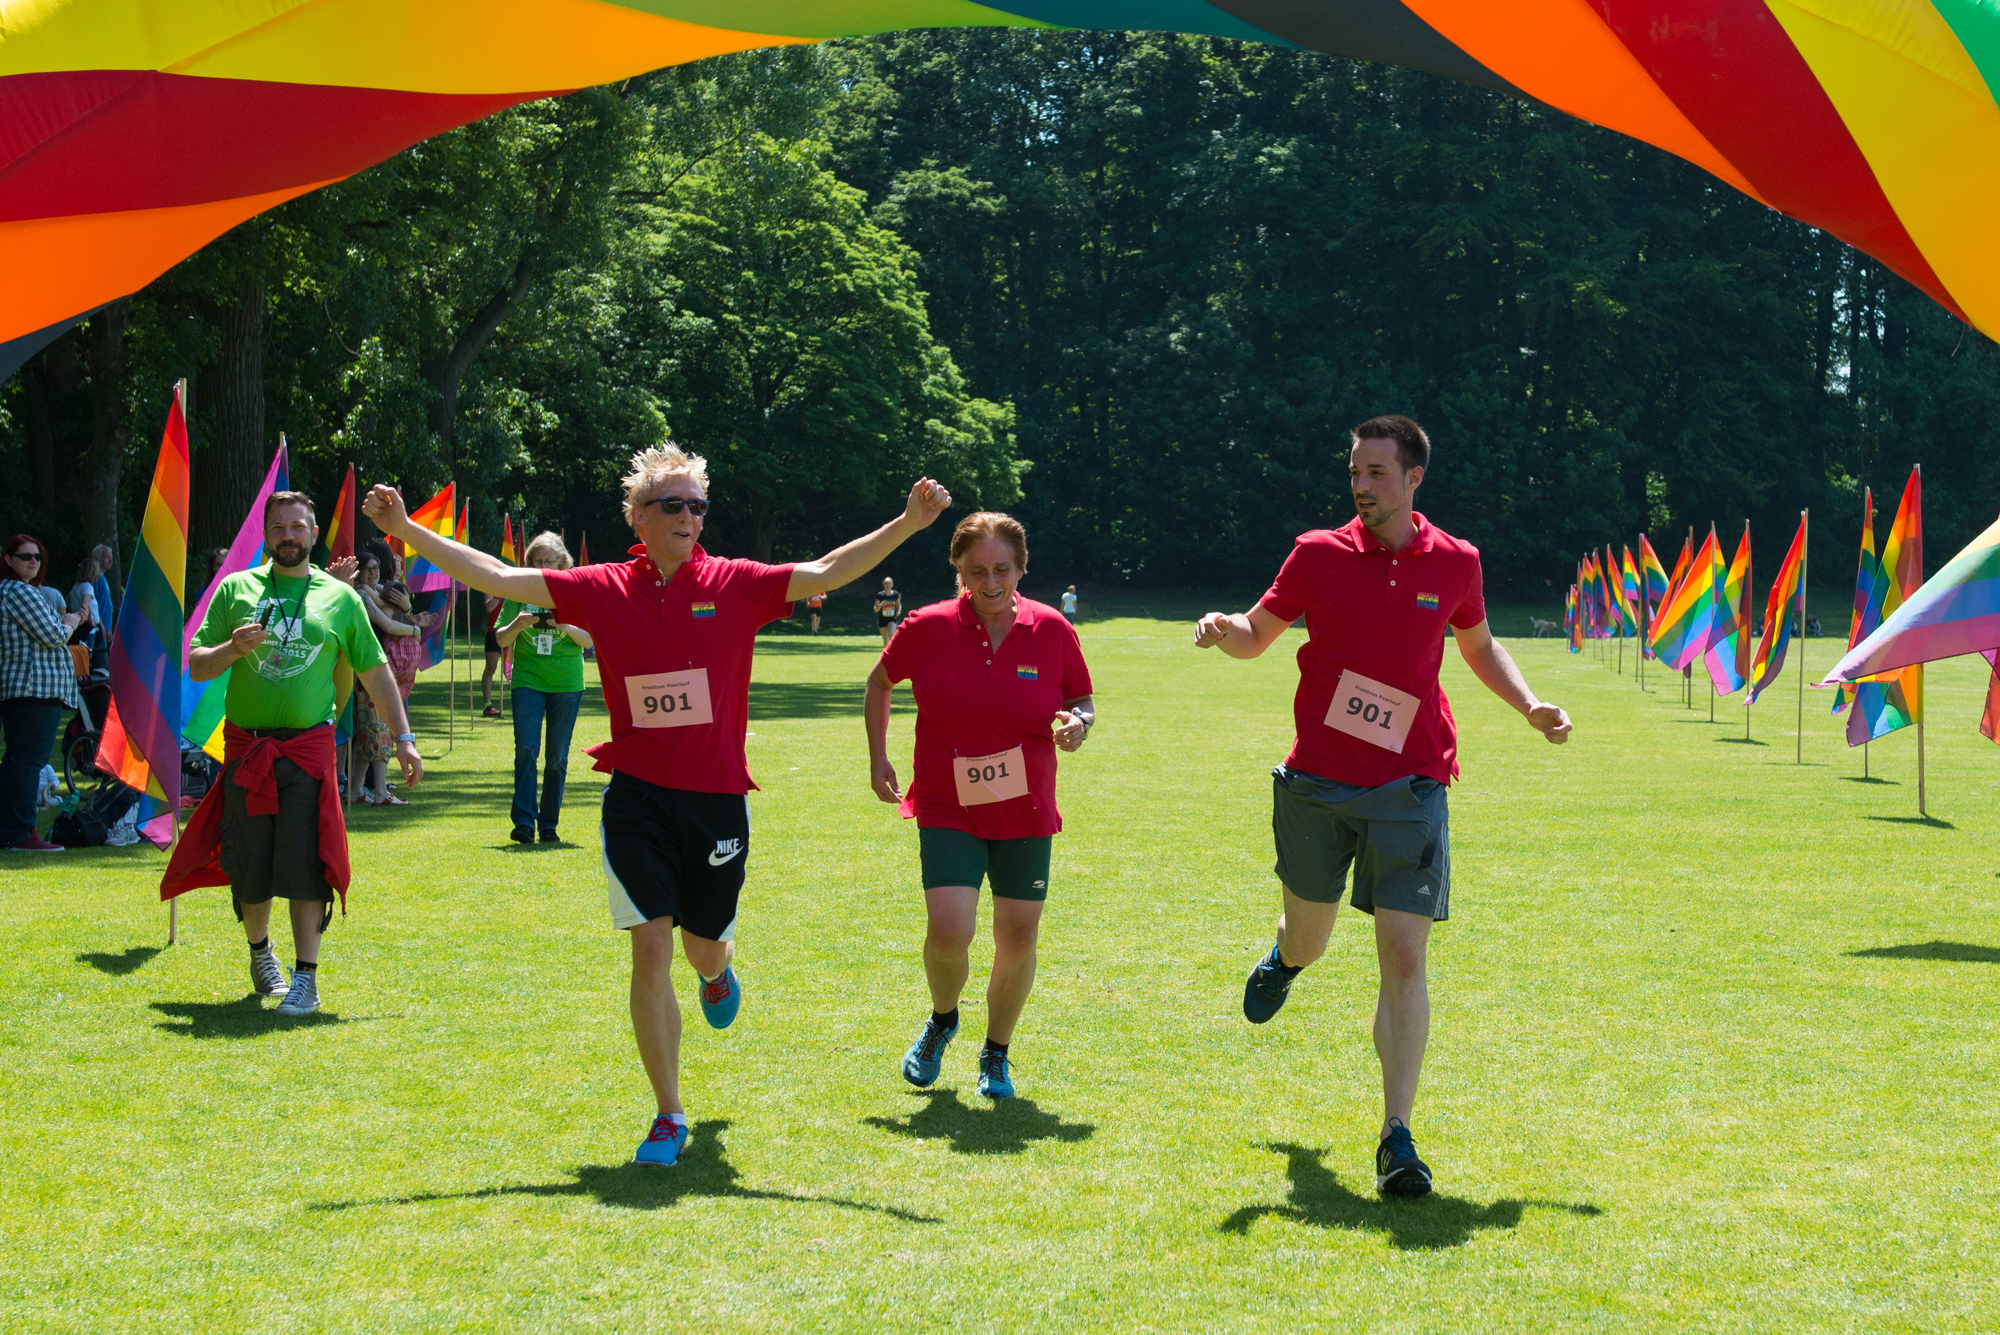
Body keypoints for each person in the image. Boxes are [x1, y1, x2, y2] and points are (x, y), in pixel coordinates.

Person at [365, 443, 951, 1167]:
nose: (688, 516)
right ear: (637, 516)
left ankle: (716, 971)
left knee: (701, 946)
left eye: (697, 505)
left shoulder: (735, 583)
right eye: (672, 504)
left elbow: (828, 571)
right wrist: (406, 530)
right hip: (637, 797)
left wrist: (908, 522)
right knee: (650, 945)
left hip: (717, 800)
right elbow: (499, 576)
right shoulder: (604, 587)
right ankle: (668, 1112)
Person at [1194, 414, 1571, 1198]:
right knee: (1312, 936)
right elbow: (1258, 633)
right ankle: (1286, 959)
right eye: (1354, 471)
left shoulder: (1457, 560)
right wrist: (1225, 629)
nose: (1360, 485)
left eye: (1375, 471)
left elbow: (1479, 646)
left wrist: (1530, 704)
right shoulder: (1316, 552)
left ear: (1413, 477)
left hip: (1412, 780)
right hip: (1318, 781)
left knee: (1403, 954)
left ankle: (1396, 1135)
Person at [165, 492, 422, 1016]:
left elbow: (375, 671)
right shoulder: (236, 589)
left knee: (308, 861)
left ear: (312, 534)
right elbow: (197, 664)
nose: (289, 535)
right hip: (248, 749)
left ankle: (307, 978)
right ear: (266, 533)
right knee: (249, 862)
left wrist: (403, 738)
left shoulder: (341, 598)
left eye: (298, 526)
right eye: (279, 526)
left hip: (308, 750)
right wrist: (232, 649)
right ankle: (261, 955)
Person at [866, 513, 1094, 1099]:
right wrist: (878, 757)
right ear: (959, 571)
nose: (990, 581)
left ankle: (996, 1052)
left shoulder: (1052, 629)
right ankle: (943, 1020)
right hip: (949, 805)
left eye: (1001, 569)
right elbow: (879, 682)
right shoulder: (926, 626)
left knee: (1017, 939)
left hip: (1026, 808)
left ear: (1021, 568)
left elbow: (1082, 699)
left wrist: (1079, 724)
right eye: (977, 570)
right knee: (949, 931)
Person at [495, 532, 593, 844]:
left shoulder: (575, 591)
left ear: (562, 562)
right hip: (528, 679)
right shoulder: (518, 589)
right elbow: (500, 638)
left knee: (557, 757)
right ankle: (524, 822)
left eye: (547, 561)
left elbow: (589, 640)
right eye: (535, 562)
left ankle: (548, 824)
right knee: (526, 749)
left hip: (567, 682)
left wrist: (565, 625)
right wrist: (517, 624)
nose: (541, 567)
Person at [1, 534, 82, 852]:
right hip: (34, 688)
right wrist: (70, 622)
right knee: (27, 761)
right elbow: (53, 635)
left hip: (24, 689)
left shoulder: (11, 590)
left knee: (17, 760)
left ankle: (10, 831)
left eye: (37, 556)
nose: (33, 561)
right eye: (25, 556)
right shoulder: (18, 590)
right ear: (8, 559)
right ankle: (21, 833)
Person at [350, 544, 414, 806]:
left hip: (373, 667)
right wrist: (415, 630)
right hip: (368, 671)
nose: (374, 573)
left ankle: (356, 789)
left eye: (376, 568)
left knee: (371, 732)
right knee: (379, 731)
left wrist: (407, 607)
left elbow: (392, 602)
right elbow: (388, 623)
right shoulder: (361, 594)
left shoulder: (372, 591)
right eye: (368, 569)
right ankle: (380, 792)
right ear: (358, 572)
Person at [482, 595, 505, 718]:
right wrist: (500, 594)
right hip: (493, 630)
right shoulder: (491, 586)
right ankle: (487, 705)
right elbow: (489, 607)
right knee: (491, 667)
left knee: (515, 666)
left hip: (510, 629)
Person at [874, 578, 903, 646]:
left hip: (892, 619)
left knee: (891, 635)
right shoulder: (880, 595)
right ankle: (887, 652)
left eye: (889, 583)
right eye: (886, 583)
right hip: (882, 619)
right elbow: (875, 609)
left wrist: (898, 611)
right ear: (883, 584)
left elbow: (898, 604)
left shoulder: (895, 594)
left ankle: (895, 650)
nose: (888, 585)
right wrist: (881, 605)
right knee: (886, 640)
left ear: (892, 585)